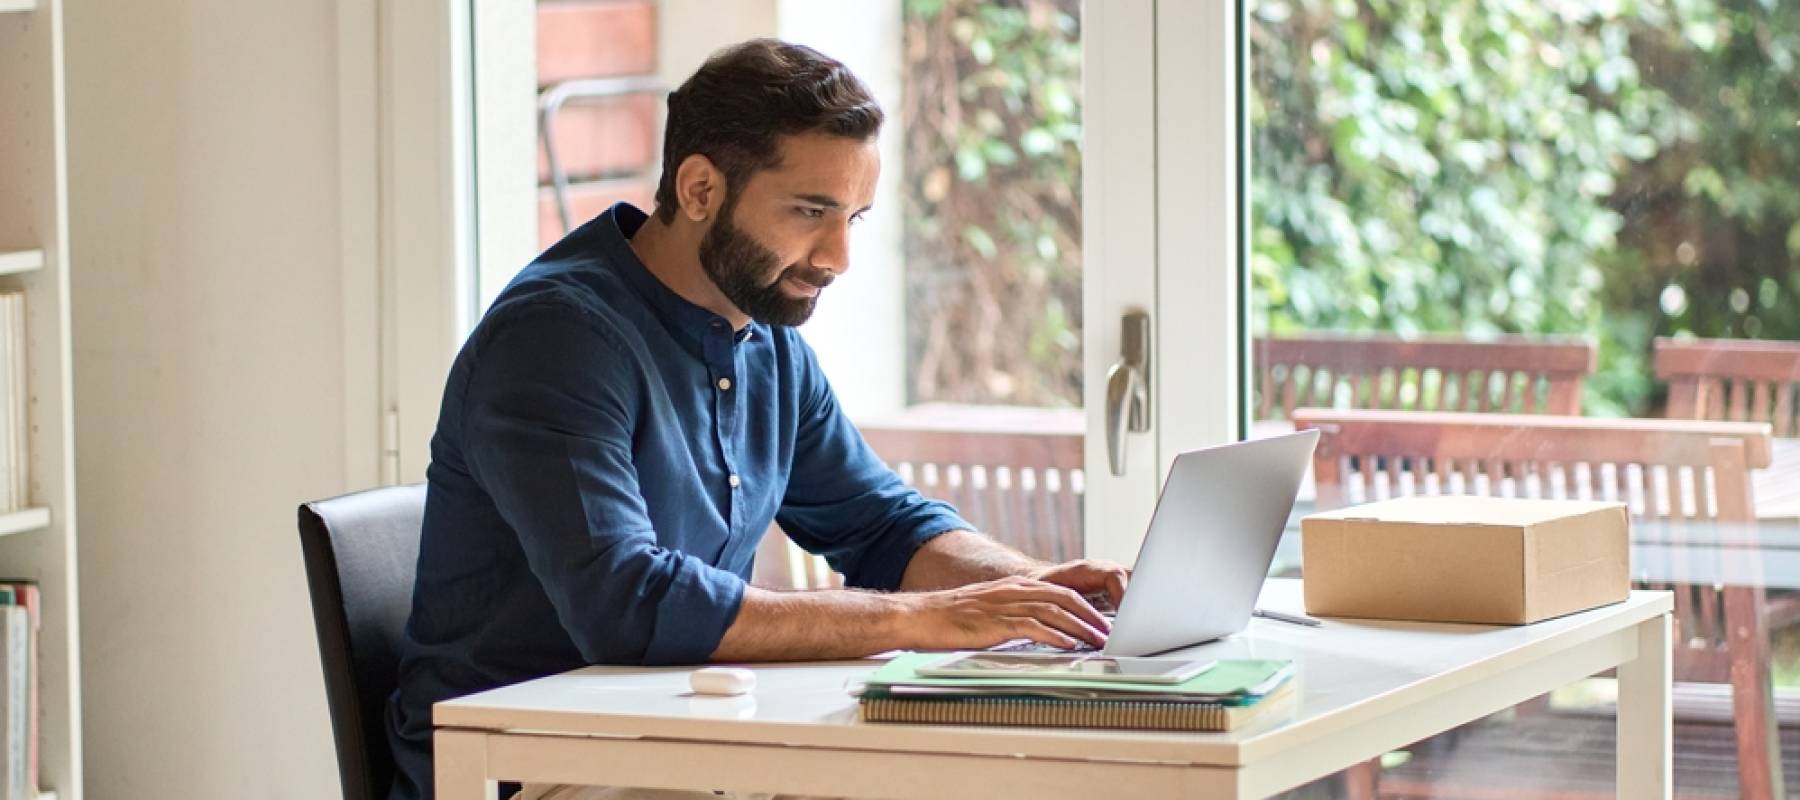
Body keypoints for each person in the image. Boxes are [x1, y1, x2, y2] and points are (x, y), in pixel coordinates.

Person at [385, 38, 1129, 800]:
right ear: (701, 188)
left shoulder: (766, 338)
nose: (838, 255)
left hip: (683, 742)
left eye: (853, 218)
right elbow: (629, 606)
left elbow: (882, 526)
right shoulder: (556, 338)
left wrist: (1045, 594)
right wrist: (929, 618)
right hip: (529, 767)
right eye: (810, 211)